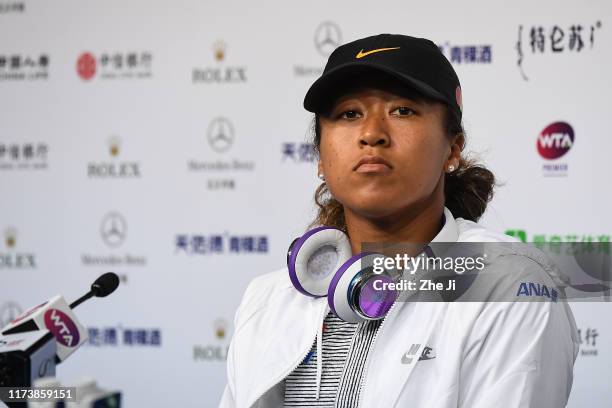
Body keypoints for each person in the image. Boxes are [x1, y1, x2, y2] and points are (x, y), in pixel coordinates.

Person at [219, 34, 579, 408]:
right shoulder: (267, 299)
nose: (372, 134)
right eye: (349, 114)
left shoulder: (508, 288)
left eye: (403, 110)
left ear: (452, 148)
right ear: (320, 158)